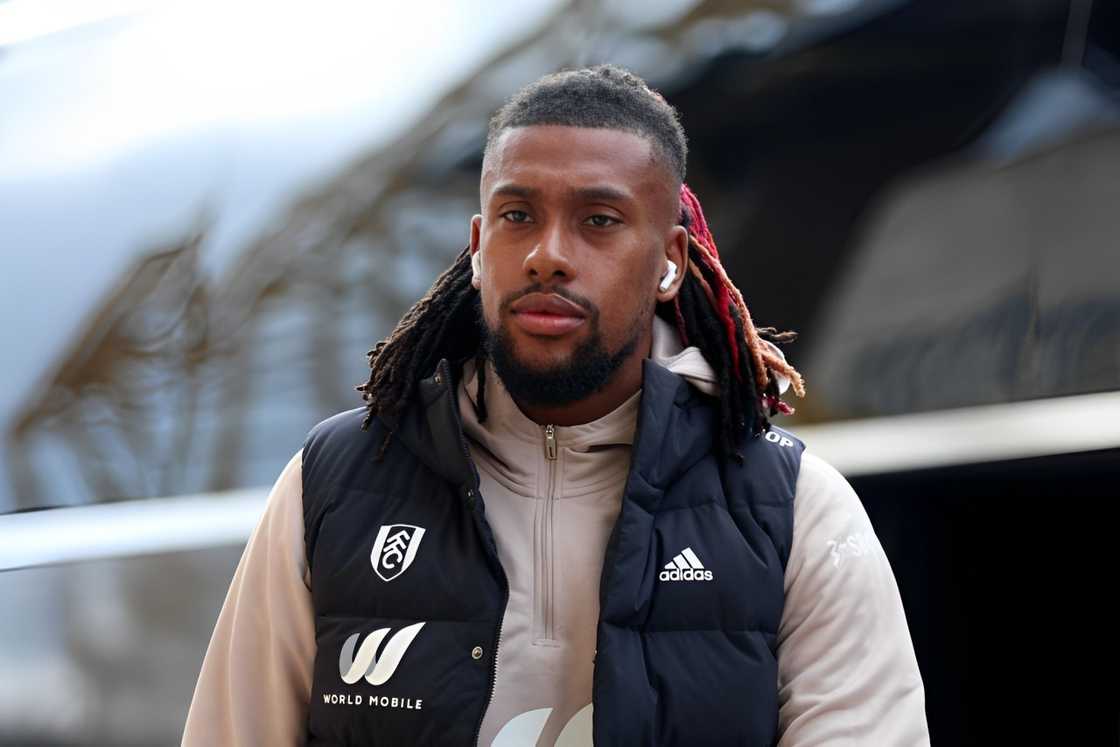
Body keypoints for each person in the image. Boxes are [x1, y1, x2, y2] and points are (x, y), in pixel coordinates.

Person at [183, 65, 929, 746]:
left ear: (671, 261)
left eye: (599, 220)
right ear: (478, 247)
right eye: (517, 216)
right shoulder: (332, 485)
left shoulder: (795, 509)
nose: (548, 253)